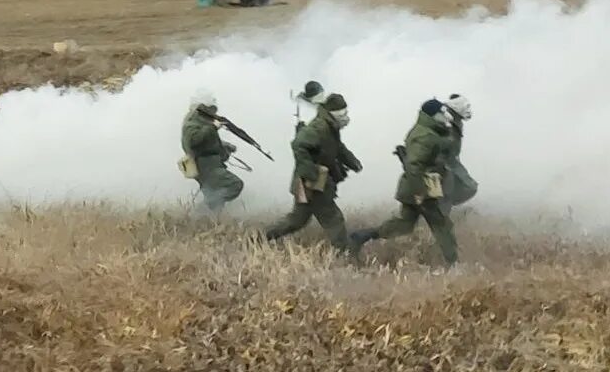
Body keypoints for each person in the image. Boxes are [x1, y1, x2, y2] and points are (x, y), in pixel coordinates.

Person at [350, 99, 458, 268]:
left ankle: (363, 236)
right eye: (442, 112)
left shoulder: (426, 131)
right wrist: (420, 192)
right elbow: (414, 166)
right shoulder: (425, 136)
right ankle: (453, 264)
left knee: (404, 225)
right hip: (421, 188)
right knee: (441, 225)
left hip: (414, 187)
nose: (446, 116)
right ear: (433, 115)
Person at [263, 93, 363, 251]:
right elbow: (298, 144)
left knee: (297, 220)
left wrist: (352, 162)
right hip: (313, 183)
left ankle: (262, 237)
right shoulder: (319, 127)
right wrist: (311, 173)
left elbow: (338, 147)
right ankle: (346, 253)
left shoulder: (330, 128)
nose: (345, 118)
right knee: (333, 219)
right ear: (333, 114)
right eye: (342, 114)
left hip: (310, 182)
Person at [180, 91, 245, 215]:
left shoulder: (201, 121)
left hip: (210, 164)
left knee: (216, 199)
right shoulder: (192, 122)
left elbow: (205, 140)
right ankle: (201, 210)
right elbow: (193, 141)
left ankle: (204, 219)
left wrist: (224, 145)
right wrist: (213, 128)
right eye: (210, 107)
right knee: (235, 184)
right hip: (205, 165)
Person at [442, 94, 478, 210]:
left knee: (469, 186)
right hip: (443, 163)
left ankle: (442, 206)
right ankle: (441, 209)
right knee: (449, 189)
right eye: (465, 107)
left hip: (452, 161)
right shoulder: (445, 121)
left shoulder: (456, 121)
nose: (468, 110)